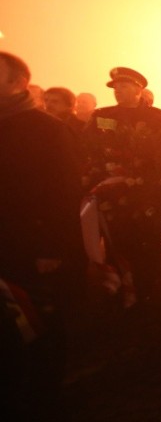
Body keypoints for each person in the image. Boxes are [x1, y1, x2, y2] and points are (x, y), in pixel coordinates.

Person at [1, 52, 85, 419]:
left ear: (18, 82)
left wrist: (51, 249)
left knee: (41, 334)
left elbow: (63, 195)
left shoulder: (47, 129)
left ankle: (45, 404)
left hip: (34, 252)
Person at [82, 67, 161, 304]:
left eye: (124, 86)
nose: (118, 91)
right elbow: (89, 151)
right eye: (115, 87)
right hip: (112, 194)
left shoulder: (158, 118)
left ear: (139, 89)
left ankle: (149, 290)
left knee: (148, 243)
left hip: (146, 195)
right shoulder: (102, 115)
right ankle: (120, 289)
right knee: (117, 243)